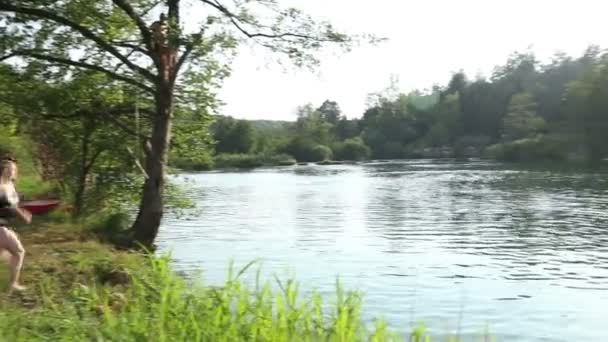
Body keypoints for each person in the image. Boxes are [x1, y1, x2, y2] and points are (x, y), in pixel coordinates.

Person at [0, 157, 31, 292]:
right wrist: (22, 214)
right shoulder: (1, 185)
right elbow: (9, 205)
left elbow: (14, 203)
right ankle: (13, 284)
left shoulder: (10, 184)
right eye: (10, 168)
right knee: (19, 252)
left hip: (5, 226)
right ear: (3, 169)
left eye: (14, 168)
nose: (13, 171)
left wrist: (21, 210)